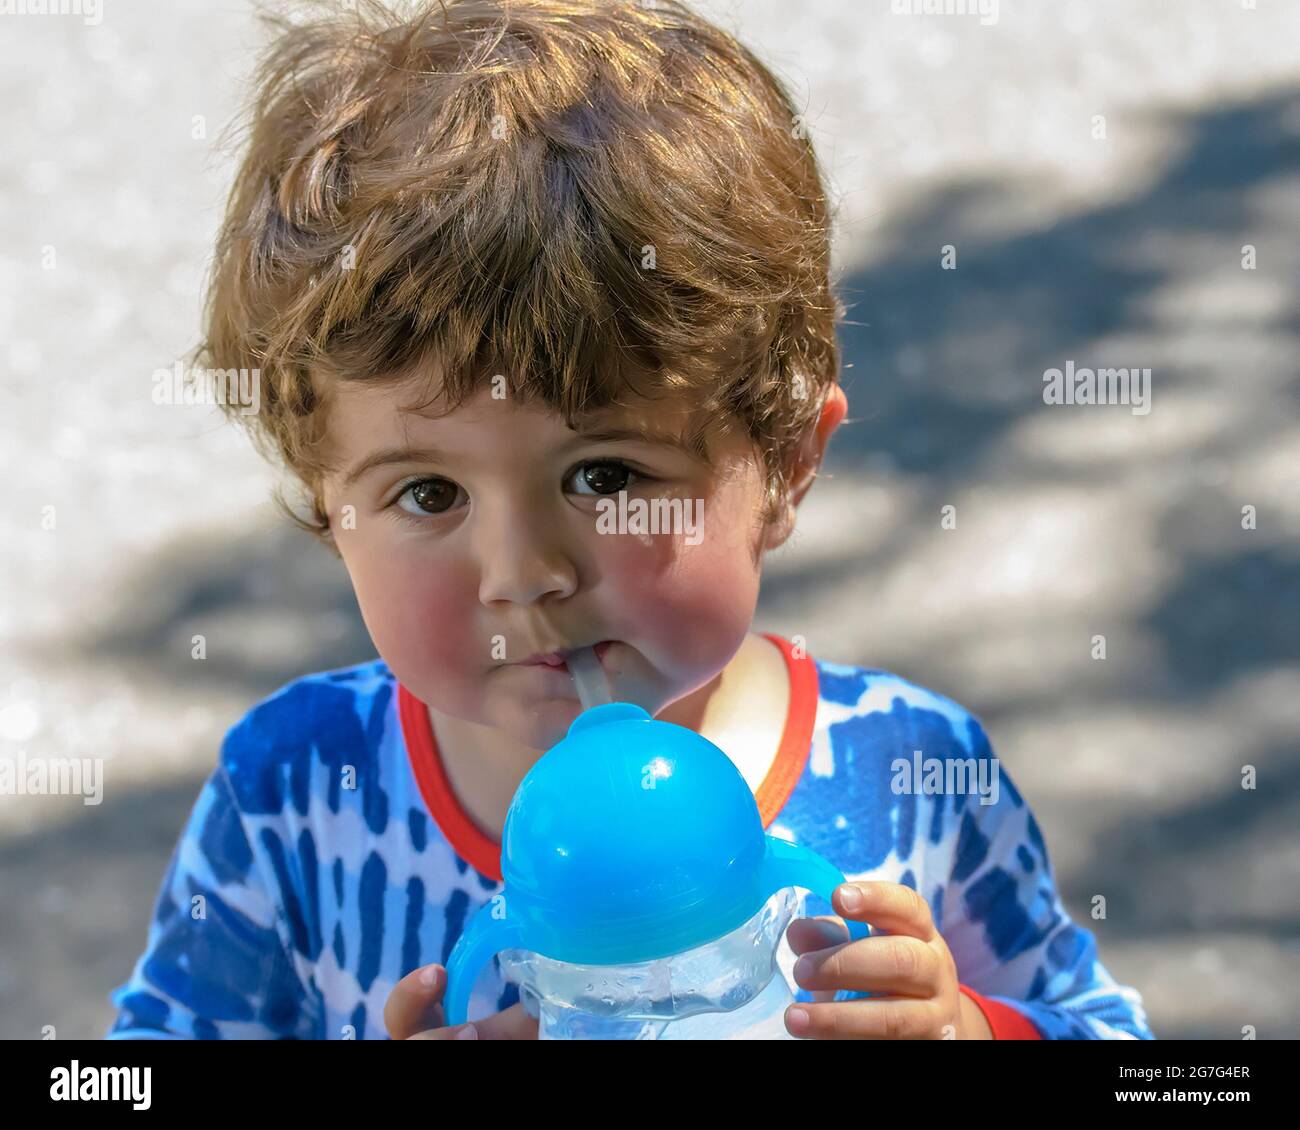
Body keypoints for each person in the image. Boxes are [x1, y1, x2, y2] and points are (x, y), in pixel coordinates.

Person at [105, 0, 1152, 1040]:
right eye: (427, 493)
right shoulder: (294, 791)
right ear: (328, 501)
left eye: (604, 475)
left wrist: (964, 1028)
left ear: (788, 461)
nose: (522, 573)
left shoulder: (911, 775)